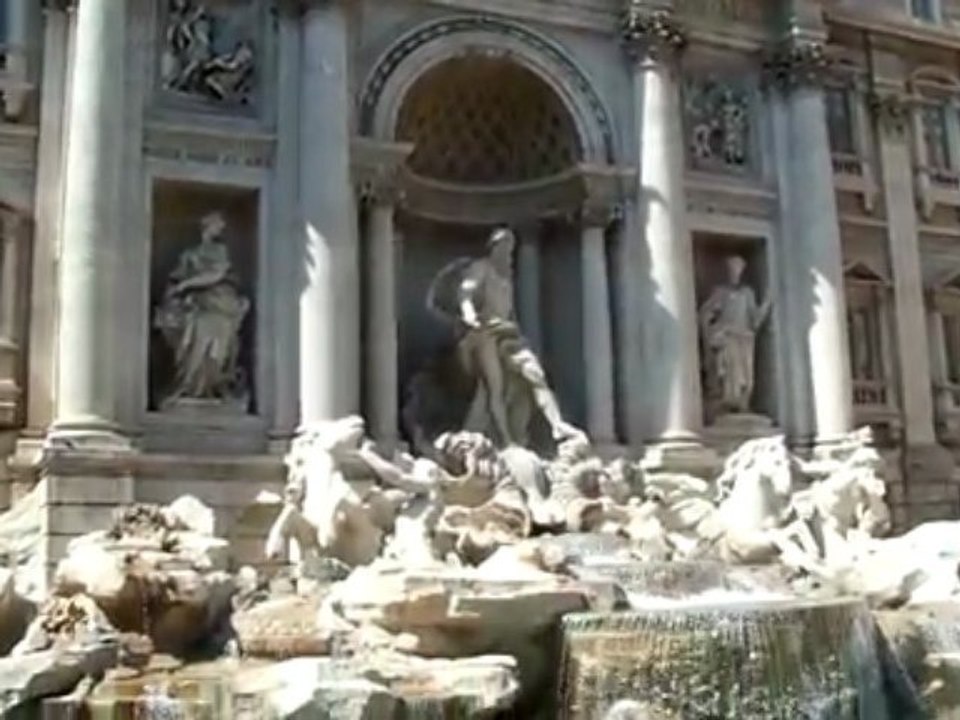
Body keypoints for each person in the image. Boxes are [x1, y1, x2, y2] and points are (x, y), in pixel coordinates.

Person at [426, 227, 580, 447]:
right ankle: (506, 440)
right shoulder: (482, 268)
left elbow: (508, 311)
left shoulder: (506, 277)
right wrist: (469, 316)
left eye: (510, 248)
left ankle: (557, 424)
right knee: (494, 388)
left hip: (509, 334)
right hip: (485, 332)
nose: (507, 252)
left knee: (536, 375)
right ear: (494, 247)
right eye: (504, 247)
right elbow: (466, 293)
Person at [154, 211, 250, 407]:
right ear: (207, 227)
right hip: (198, 308)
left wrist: (186, 285)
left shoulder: (221, 252)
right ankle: (190, 387)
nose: (220, 229)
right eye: (217, 225)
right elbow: (176, 280)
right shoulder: (190, 255)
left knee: (217, 354)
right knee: (193, 350)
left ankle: (213, 389)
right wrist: (178, 290)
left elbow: (217, 274)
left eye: (221, 226)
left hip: (221, 308)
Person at [698, 255, 772, 413]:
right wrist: (713, 329)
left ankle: (742, 404)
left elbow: (755, 320)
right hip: (728, 337)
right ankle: (727, 404)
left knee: (746, 378)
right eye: (731, 270)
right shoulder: (720, 292)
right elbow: (705, 313)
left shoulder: (747, 293)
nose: (734, 273)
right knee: (729, 376)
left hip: (745, 339)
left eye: (737, 270)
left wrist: (766, 302)